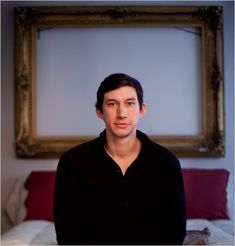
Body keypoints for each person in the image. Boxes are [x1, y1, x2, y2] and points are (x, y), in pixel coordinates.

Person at [53, 73, 186, 245]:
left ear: (142, 110)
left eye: (130, 103)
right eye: (112, 104)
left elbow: (174, 231)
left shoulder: (166, 163)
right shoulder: (72, 162)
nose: (121, 113)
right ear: (99, 112)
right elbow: (67, 234)